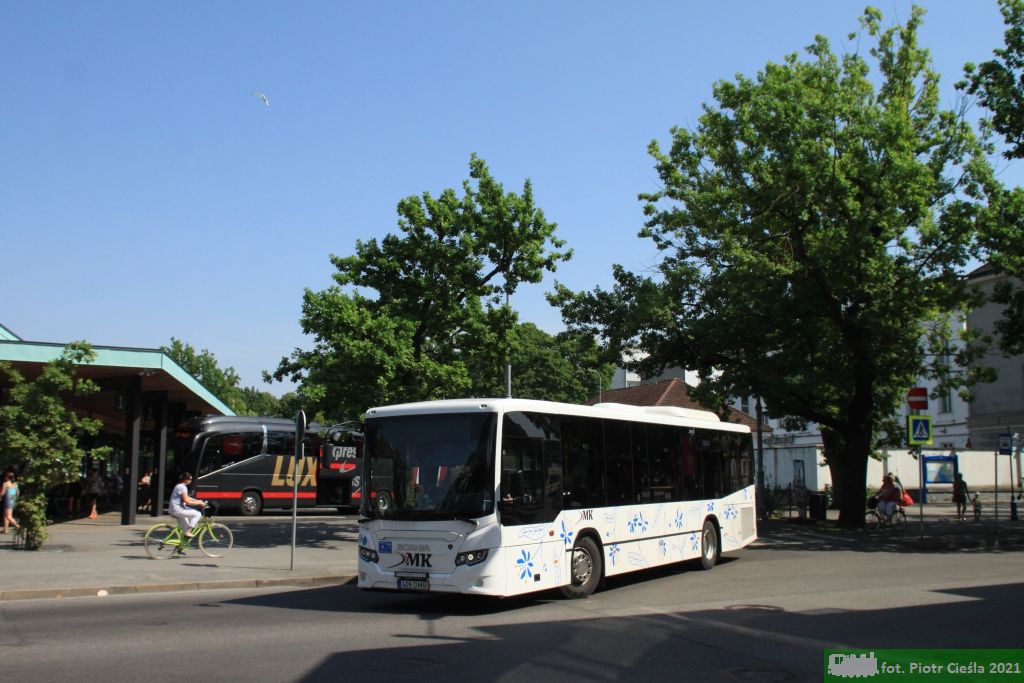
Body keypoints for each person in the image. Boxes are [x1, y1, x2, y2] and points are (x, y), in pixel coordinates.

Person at [168, 472, 207, 543]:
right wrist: (199, 503)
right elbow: (187, 501)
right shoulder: (183, 487)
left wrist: (197, 500)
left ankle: (181, 545)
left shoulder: (179, 485)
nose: (191, 481)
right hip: (178, 509)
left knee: (186, 527)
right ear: (185, 479)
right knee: (198, 514)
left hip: (175, 509)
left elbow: (187, 497)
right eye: (190, 479)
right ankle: (188, 532)